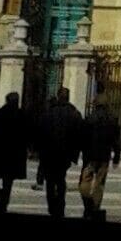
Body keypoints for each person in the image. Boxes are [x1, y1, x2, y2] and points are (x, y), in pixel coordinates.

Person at [35, 85, 83, 222]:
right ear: (68, 98)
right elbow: (79, 135)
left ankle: (52, 206)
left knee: (50, 181)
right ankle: (60, 205)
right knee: (61, 179)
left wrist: (39, 151)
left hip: (49, 153)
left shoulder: (48, 113)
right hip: (65, 154)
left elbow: (40, 132)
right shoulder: (74, 114)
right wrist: (75, 154)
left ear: (58, 97)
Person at [0, 91, 30, 213]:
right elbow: (28, 135)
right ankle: (3, 202)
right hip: (14, 155)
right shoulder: (22, 116)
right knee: (8, 182)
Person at [78, 97, 121, 215]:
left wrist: (81, 152)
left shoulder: (89, 118)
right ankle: (95, 208)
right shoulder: (112, 119)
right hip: (104, 157)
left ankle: (88, 204)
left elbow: (82, 138)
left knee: (84, 182)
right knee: (99, 184)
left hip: (90, 157)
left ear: (95, 105)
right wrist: (116, 157)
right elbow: (116, 141)